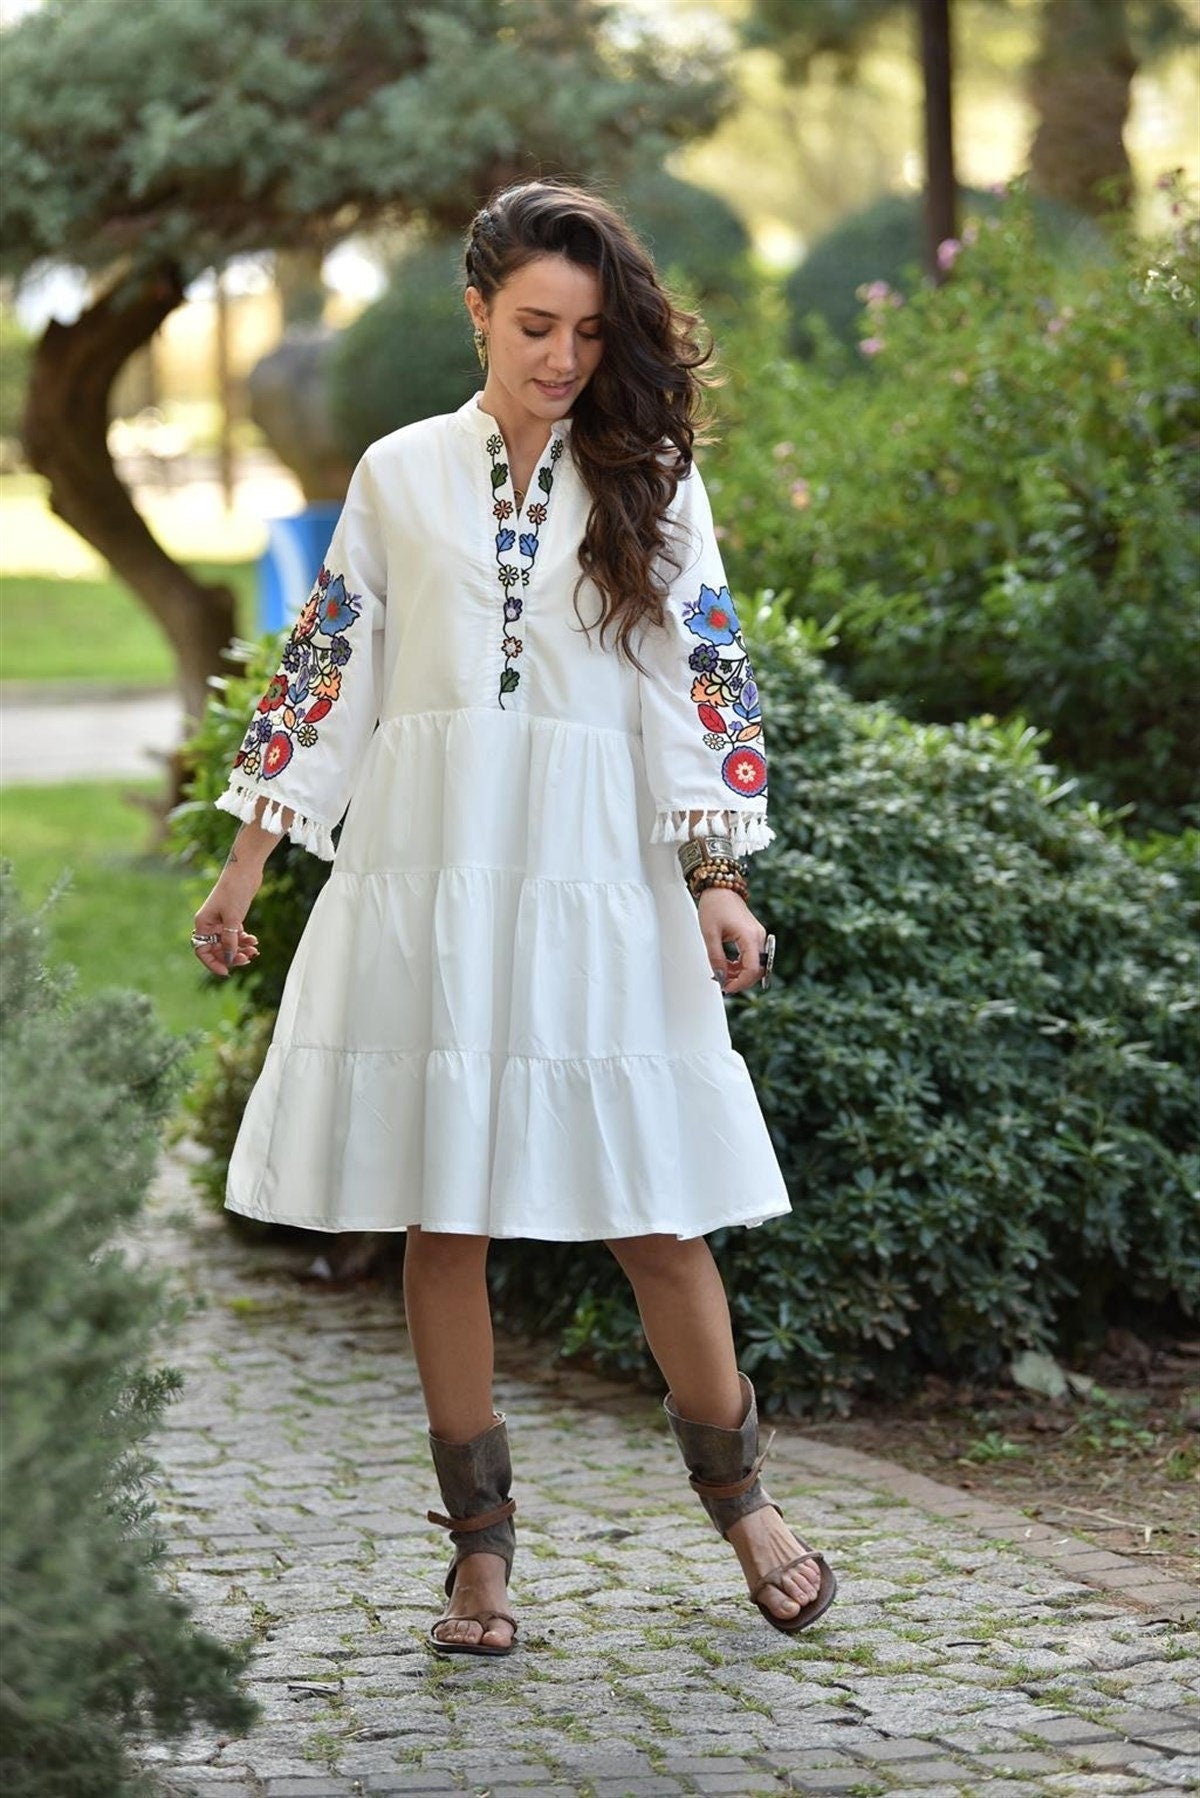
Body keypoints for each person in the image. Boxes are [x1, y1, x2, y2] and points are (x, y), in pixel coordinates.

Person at [191, 179, 837, 1657]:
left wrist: (716, 873)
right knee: (446, 1220)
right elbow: (327, 672)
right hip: (430, 874)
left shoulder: (652, 478)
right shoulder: (398, 472)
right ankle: (479, 1555)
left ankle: (745, 1503)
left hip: (597, 876)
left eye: (590, 331)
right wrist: (246, 862)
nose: (561, 356)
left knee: (658, 1216)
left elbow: (703, 678)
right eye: (536, 324)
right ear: (476, 308)